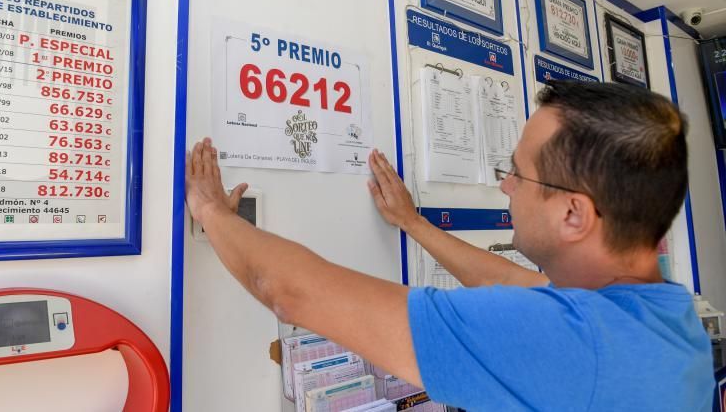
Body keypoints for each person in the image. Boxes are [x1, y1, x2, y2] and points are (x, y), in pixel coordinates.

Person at [185, 81, 714, 411]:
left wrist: (211, 211)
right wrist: (414, 224)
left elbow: (290, 293)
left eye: (518, 174)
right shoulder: (662, 313)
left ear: (574, 213)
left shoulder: (569, 342)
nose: (506, 186)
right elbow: (512, 282)